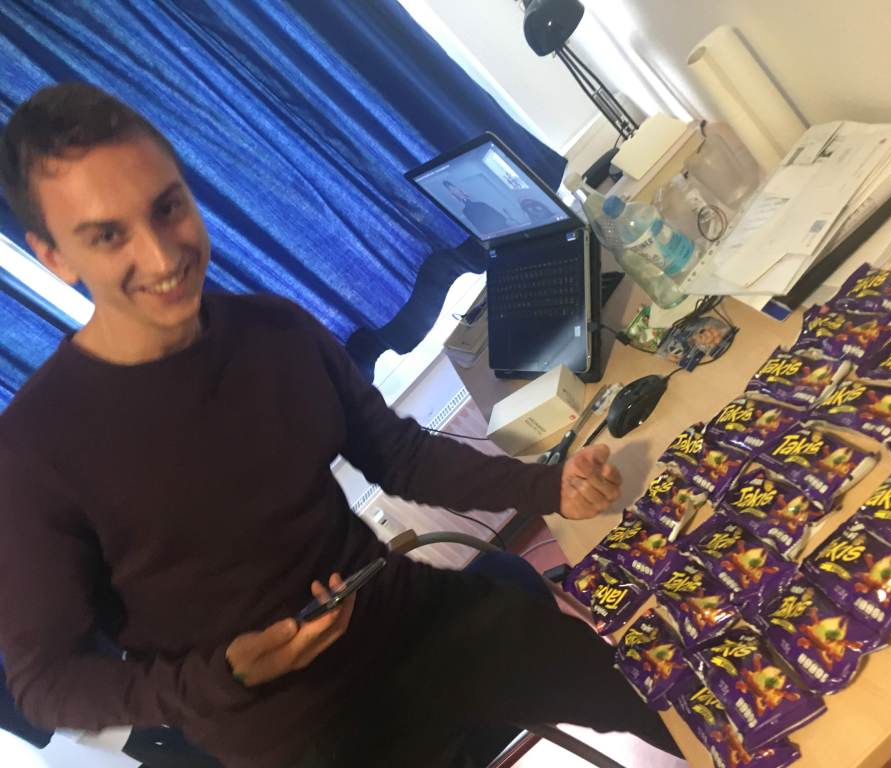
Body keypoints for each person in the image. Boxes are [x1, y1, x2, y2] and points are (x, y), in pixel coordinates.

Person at [0, 83, 681, 767]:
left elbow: (397, 455)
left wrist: (547, 487)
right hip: (295, 733)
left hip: (408, 615)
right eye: (108, 236)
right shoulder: (34, 448)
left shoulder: (273, 329)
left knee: (659, 687)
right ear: (53, 256)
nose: (160, 256)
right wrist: (218, 677)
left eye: (167, 207)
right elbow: (44, 683)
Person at [442, 179, 509, 234]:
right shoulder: (464, 210)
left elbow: (492, 212)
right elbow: (476, 225)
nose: (453, 191)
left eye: (453, 188)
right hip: (489, 230)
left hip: (499, 224)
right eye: (450, 190)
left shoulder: (479, 202)